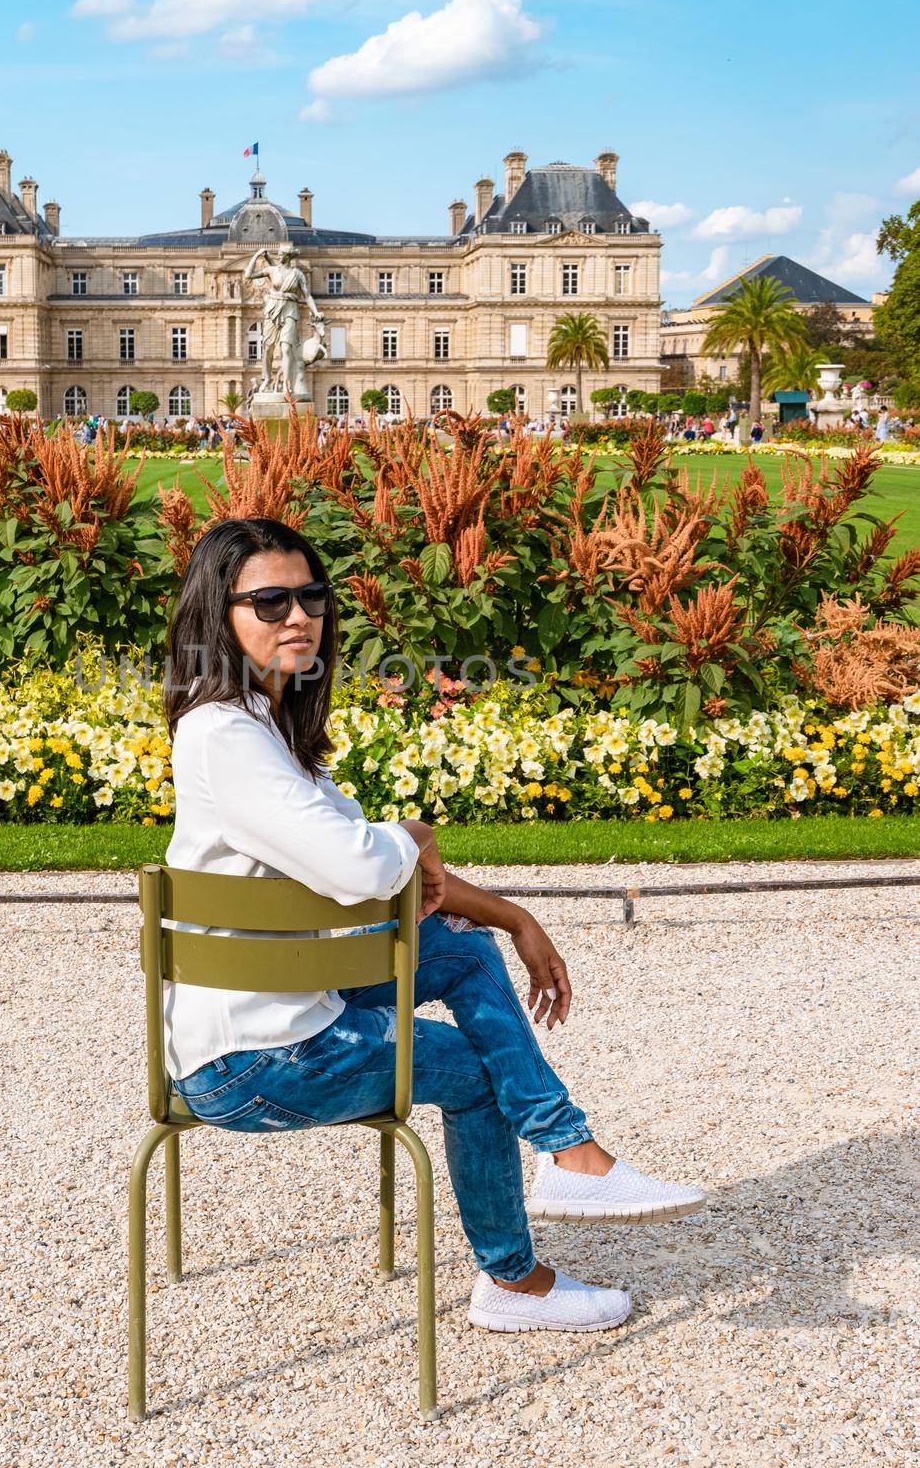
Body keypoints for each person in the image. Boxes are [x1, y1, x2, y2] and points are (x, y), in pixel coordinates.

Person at [163, 518, 705, 1336]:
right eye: (270, 601)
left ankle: (570, 1157)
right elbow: (362, 865)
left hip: (269, 1012)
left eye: (311, 596)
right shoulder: (225, 736)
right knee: (482, 1071)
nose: (298, 616)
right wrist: (412, 834)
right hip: (254, 1060)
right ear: (221, 615)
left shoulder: (262, 728)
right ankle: (514, 1283)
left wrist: (513, 917)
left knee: (461, 950)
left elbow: (383, 870)